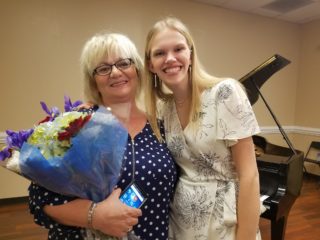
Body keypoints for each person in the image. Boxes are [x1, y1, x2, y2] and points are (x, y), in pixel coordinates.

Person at [28, 32, 178, 240]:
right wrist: (94, 216)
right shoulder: (76, 124)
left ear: (137, 69)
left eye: (123, 63)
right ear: (93, 80)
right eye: (103, 68)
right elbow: (39, 201)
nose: (115, 73)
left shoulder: (161, 126)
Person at [144, 17, 264, 240]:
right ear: (150, 64)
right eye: (160, 53)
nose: (170, 58)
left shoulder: (225, 93)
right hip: (181, 223)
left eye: (178, 49)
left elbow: (250, 175)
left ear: (190, 54)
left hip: (226, 223)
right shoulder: (162, 109)